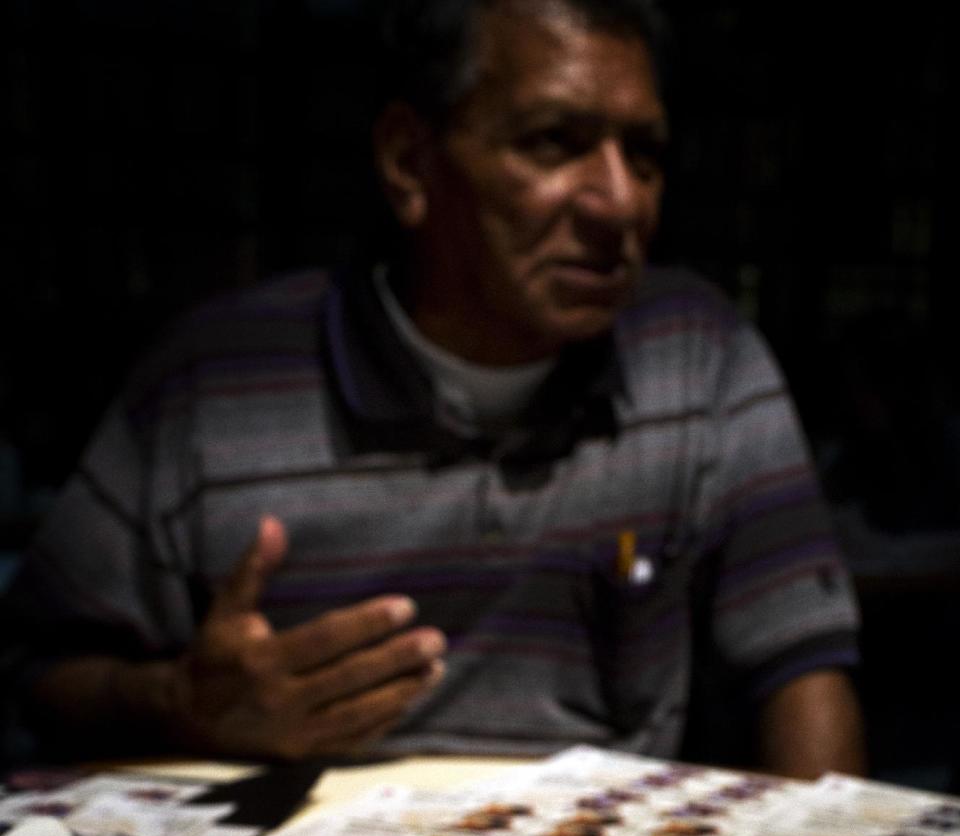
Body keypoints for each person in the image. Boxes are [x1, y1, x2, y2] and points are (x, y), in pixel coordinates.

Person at [2, 0, 865, 777]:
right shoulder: (218, 379)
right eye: (553, 142)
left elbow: (801, 668)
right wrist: (184, 706)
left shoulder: (697, 354)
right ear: (410, 163)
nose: (619, 204)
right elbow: (37, 673)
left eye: (644, 154)